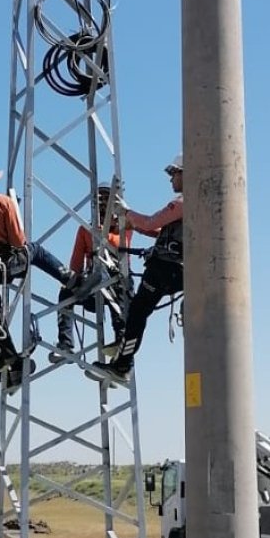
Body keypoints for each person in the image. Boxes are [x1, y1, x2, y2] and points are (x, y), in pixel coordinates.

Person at [0, 151, 103, 391]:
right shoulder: (1, 202)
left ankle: (9, 366)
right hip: (2, 267)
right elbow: (18, 242)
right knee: (34, 250)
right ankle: (73, 281)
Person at [87, 153, 185, 383]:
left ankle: (122, 364)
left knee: (137, 313)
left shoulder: (182, 202)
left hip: (165, 269)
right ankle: (123, 357)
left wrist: (126, 212)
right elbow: (159, 230)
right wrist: (134, 224)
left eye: (173, 174)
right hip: (173, 270)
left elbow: (152, 222)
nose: (171, 180)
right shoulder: (193, 202)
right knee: (137, 313)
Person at [49, 181, 132, 364]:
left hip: (117, 283)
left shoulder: (125, 226)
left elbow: (128, 240)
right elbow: (76, 263)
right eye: (99, 198)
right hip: (92, 287)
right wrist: (71, 281)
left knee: (115, 288)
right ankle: (66, 344)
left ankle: (121, 340)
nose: (102, 202)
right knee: (65, 292)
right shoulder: (85, 230)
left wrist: (106, 233)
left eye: (105, 197)